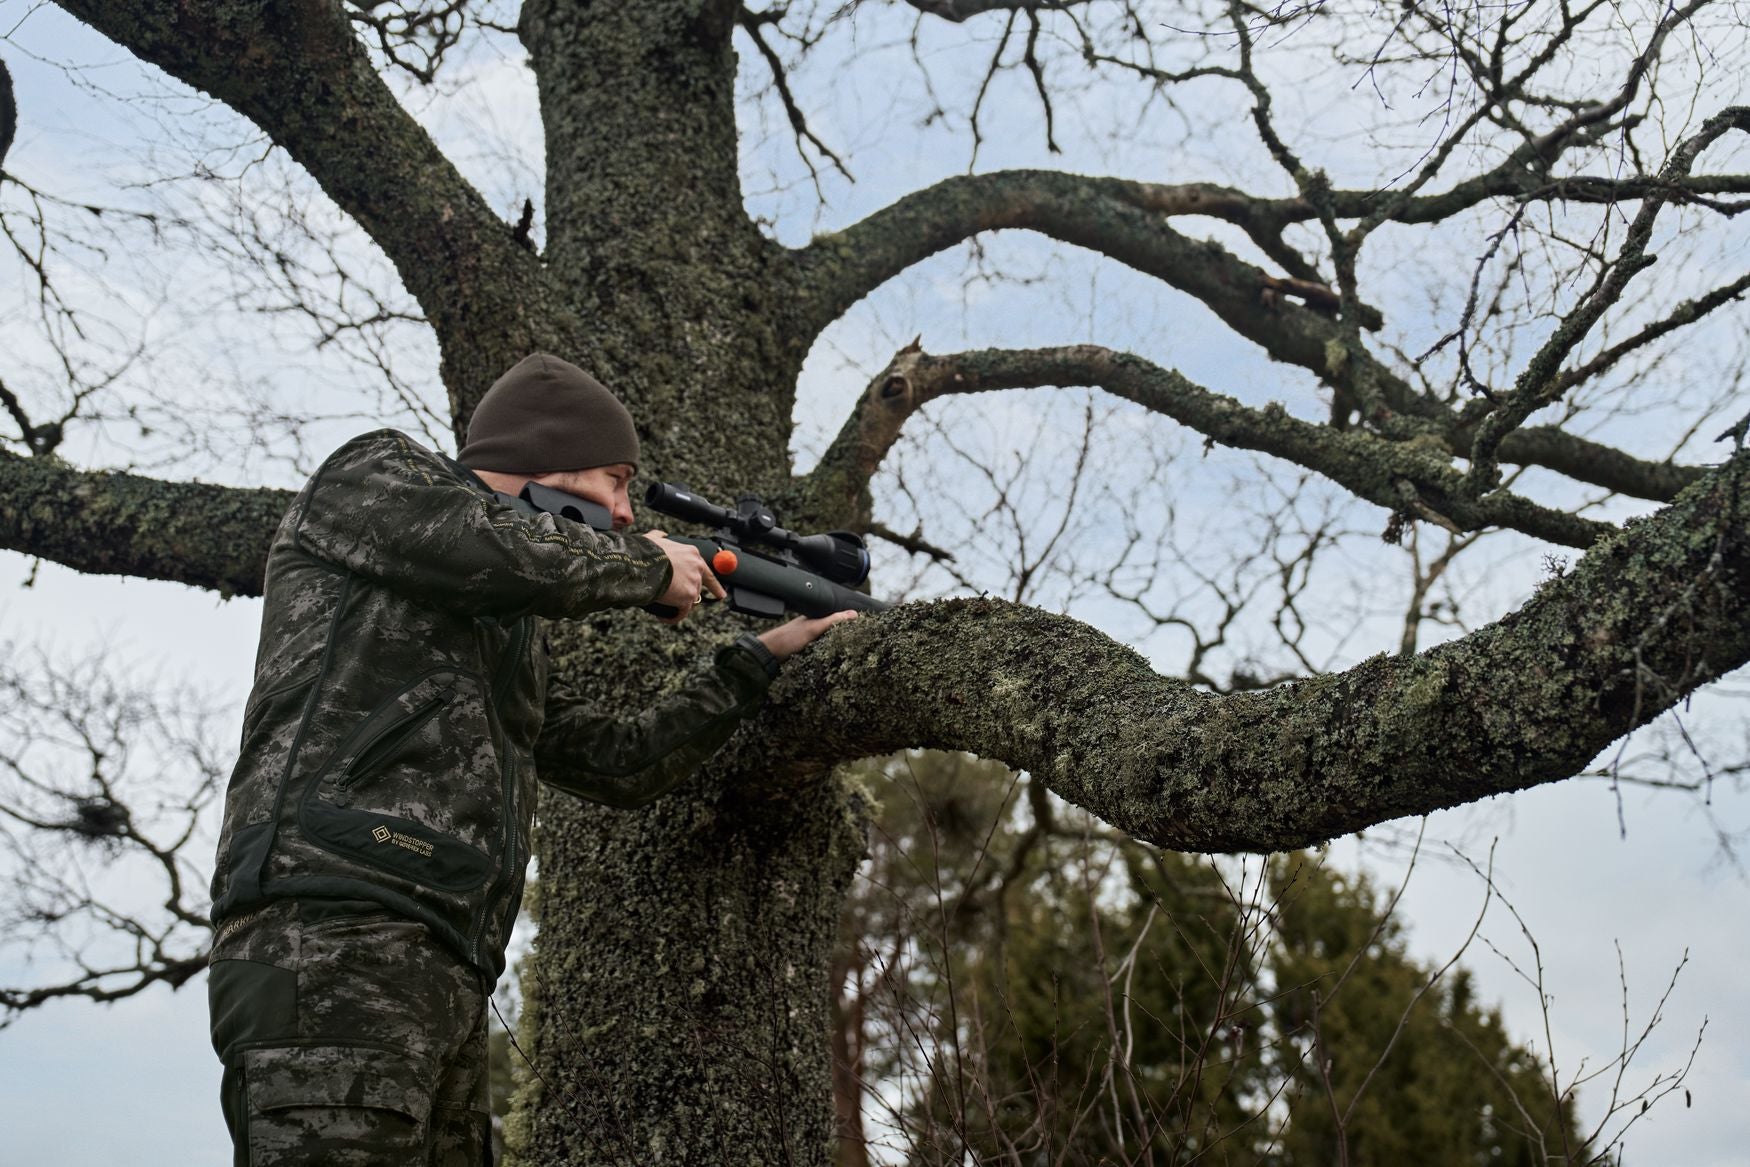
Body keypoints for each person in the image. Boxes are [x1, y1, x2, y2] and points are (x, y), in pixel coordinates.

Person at [205, 352, 854, 1164]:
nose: (623, 512)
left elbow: (619, 759)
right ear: (552, 454)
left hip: (444, 964)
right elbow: (489, 544)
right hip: (330, 933)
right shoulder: (375, 476)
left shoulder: (504, 632)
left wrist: (759, 657)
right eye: (617, 480)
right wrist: (651, 565)